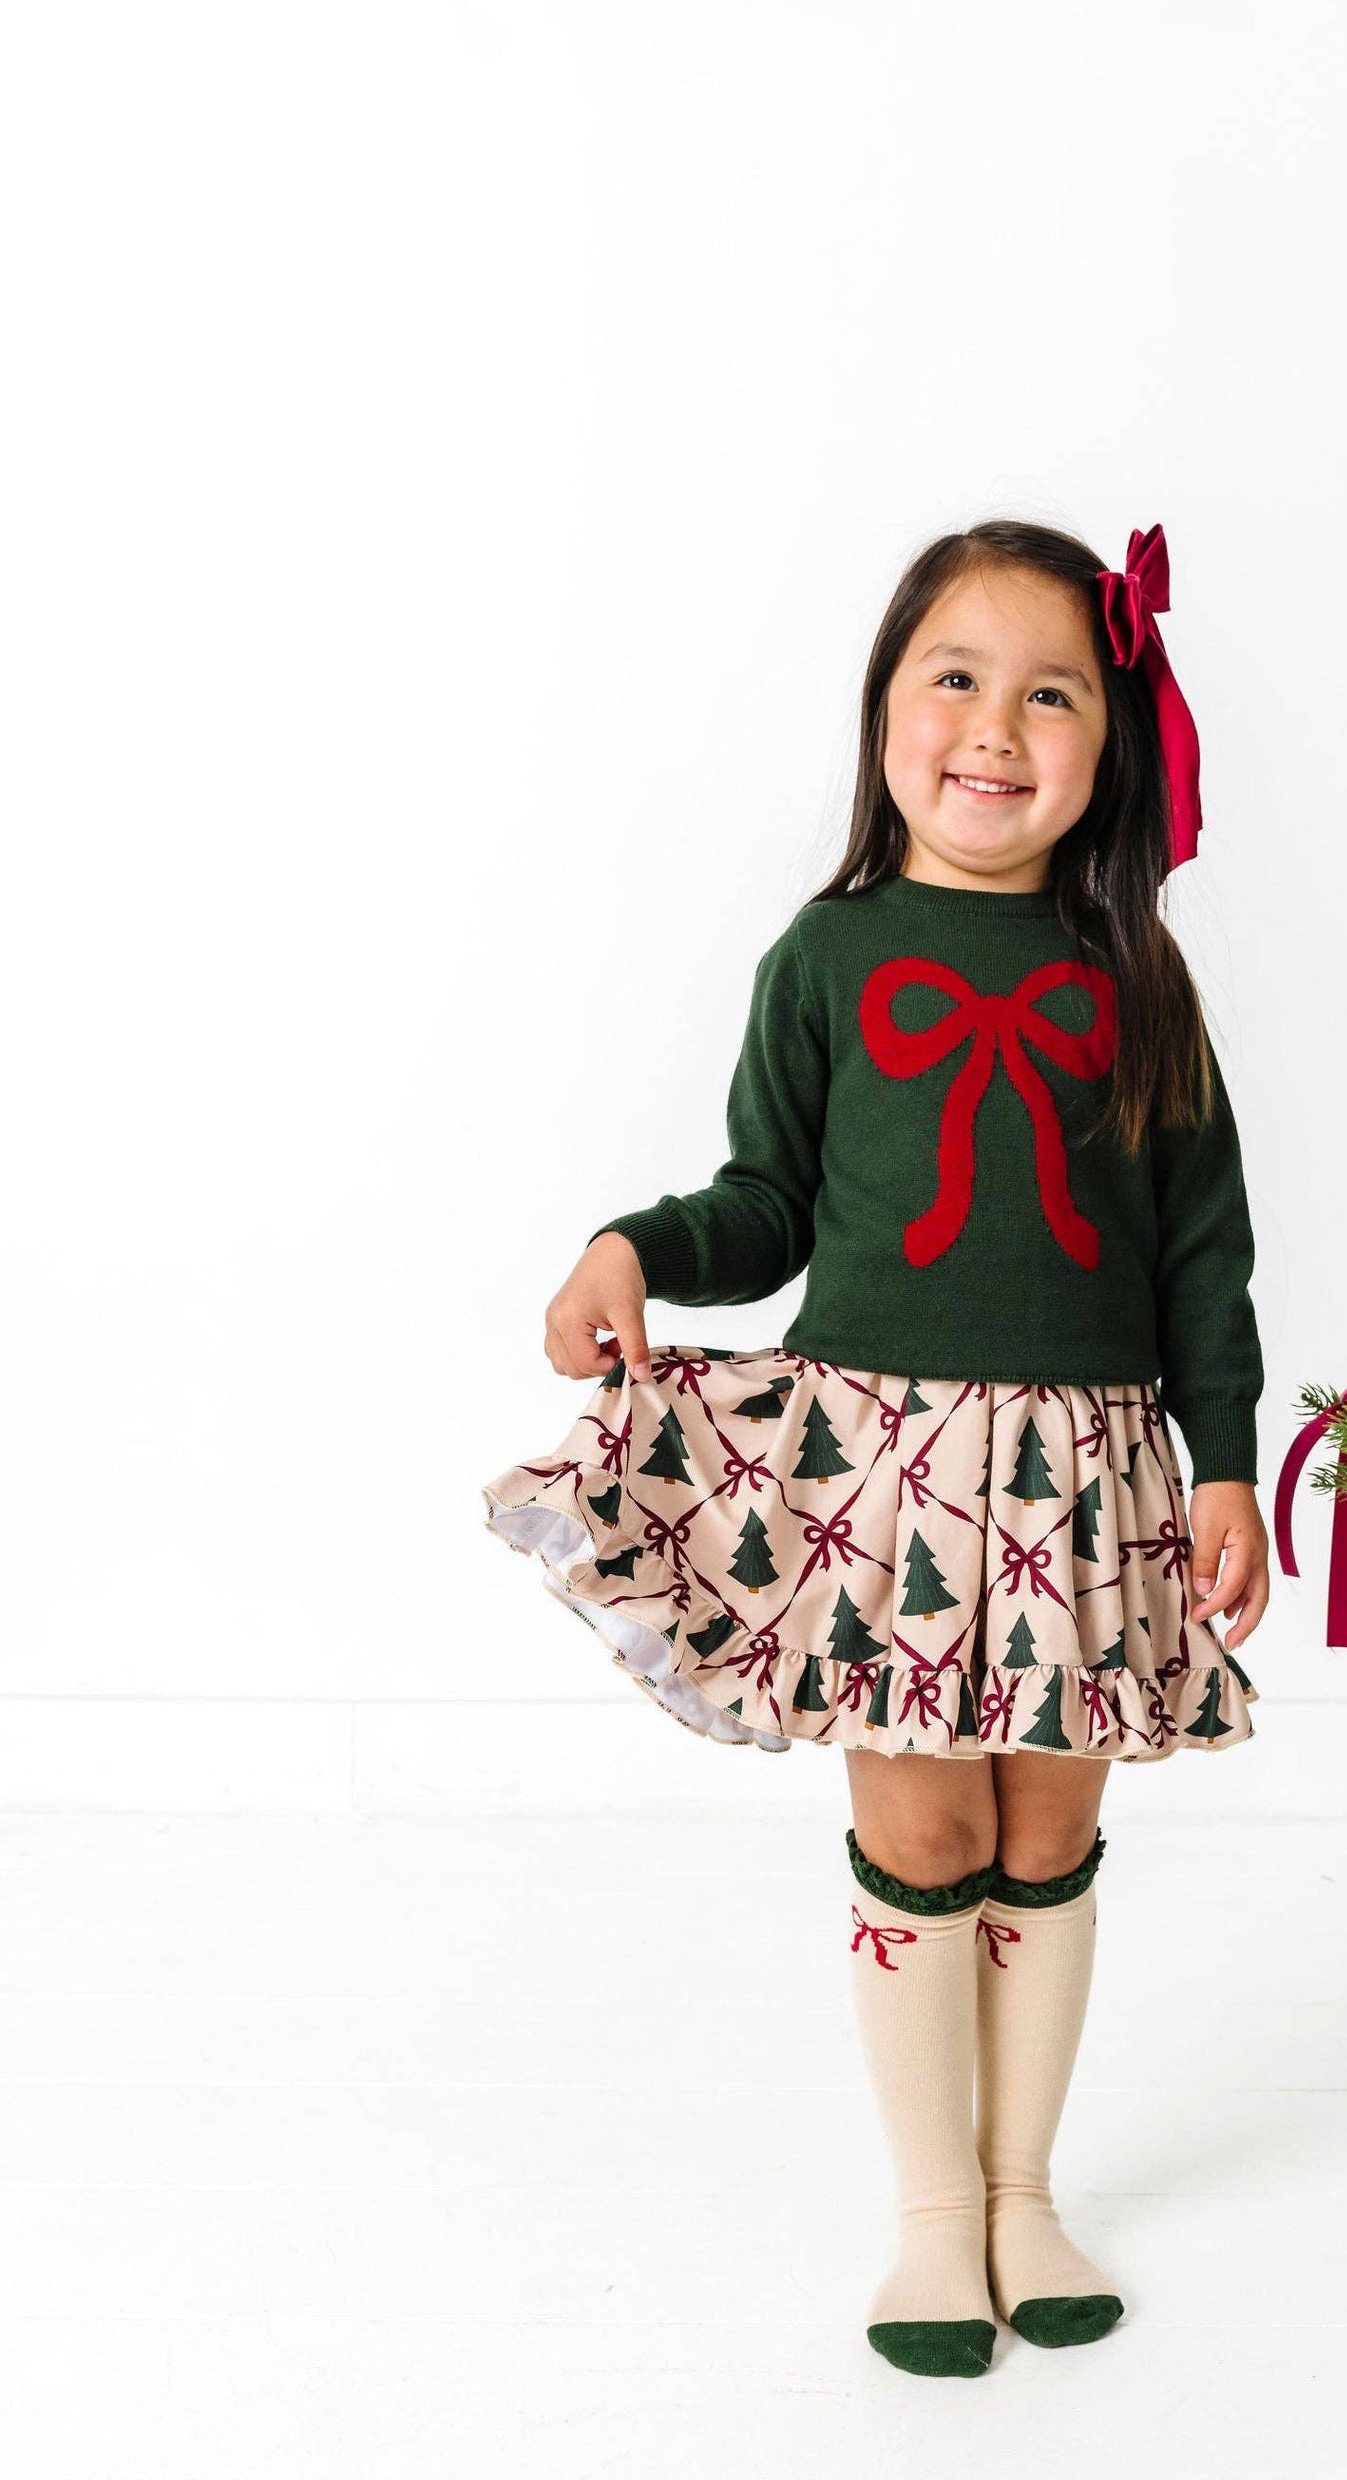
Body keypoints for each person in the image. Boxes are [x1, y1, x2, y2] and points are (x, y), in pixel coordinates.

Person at [481, 516, 1267, 2378]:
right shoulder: (828, 954)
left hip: (1083, 1472)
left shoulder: (1137, 972)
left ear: (1109, 745)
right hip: (890, 1467)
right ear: (886, 712)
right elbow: (766, 1200)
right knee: (921, 1813)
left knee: (1050, 1811)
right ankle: (931, 2215)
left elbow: (1200, 1248)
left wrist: (1225, 1457)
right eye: (956, 677)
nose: (996, 727)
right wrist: (637, 1245)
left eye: (1051, 691)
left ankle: (1023, 2189)